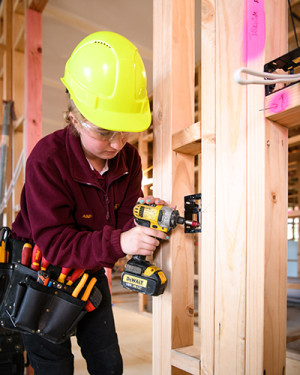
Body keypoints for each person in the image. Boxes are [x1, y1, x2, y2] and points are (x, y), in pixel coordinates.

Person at [11, 31, 168, 375]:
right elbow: (53, 243)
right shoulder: (46, 159)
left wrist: (138, 221)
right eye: (103, 132)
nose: (116, 143)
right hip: (40, 269)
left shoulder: (129, 159)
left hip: (90, 268)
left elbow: (125, 218)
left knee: (108, 360)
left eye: (124, 131)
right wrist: (120, 241)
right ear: (74, 118)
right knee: (54, 364)